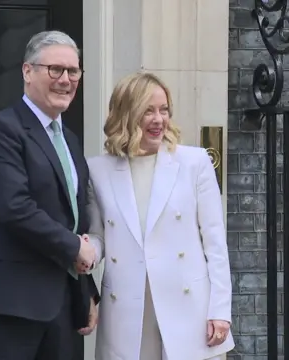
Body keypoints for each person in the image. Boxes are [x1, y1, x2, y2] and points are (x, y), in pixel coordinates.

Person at [0, 30, 100, 360]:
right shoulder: (1, 130)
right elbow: (15, 208)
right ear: (27, 71)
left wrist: (87, 288)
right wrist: (76, 248)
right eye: (55, 70)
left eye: (73, 71)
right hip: (8, 307)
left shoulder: (69, 139)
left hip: (62, 307)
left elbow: (72, 217)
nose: (65, 80)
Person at [86, 72, 235, 360]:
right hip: (128, 310)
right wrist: (87, 249)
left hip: (188, 308)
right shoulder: (97, 170)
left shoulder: (194, 163)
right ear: (127, 114)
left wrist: (220, 309)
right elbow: (99, 235)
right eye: (148, 110)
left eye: (163, 110)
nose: (159, 119)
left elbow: (215, 244)